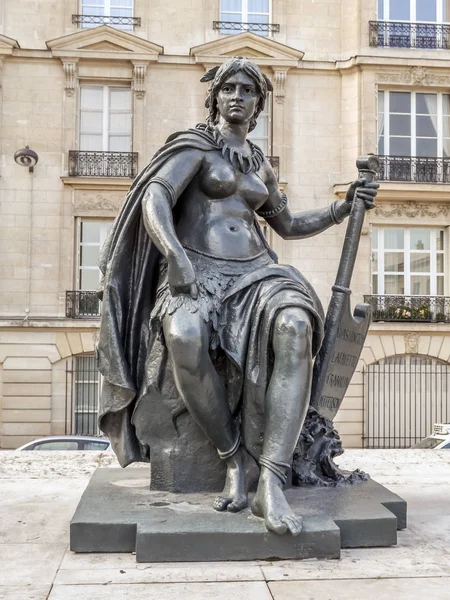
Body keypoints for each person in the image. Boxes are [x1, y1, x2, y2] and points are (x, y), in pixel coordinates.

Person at [97, 57, 378, 535]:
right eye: (229, 87)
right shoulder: (196, 146)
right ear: (215, 96)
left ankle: (270, 477)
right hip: (195, 269)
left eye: (248, 90)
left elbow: (286, 225)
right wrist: (175, 256)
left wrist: (340, 208)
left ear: (259, 103)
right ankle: (234, 460)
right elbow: (156, 198)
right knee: (183, 335)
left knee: (294, 327)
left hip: (257, 273)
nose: (238, 96)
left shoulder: (259, 165)